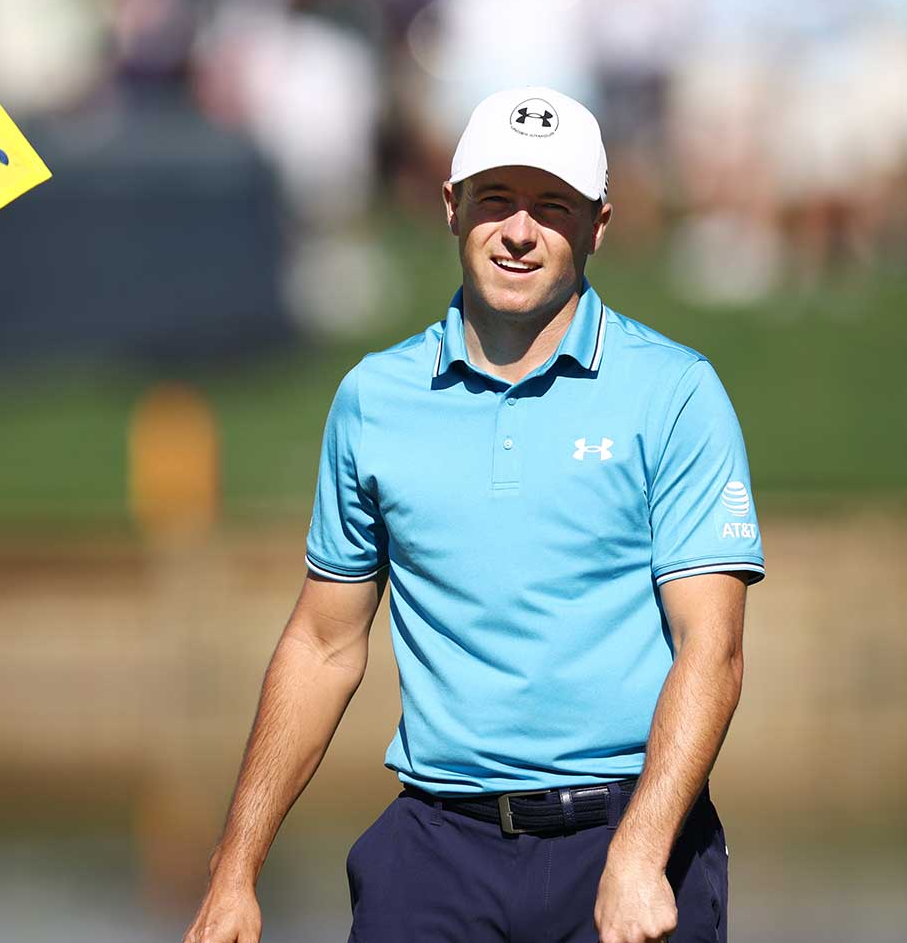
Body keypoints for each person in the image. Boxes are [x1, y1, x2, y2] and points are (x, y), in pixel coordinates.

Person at [181, 87, 764, 943]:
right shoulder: (373, 400)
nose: (519, 231)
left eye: (551, 207)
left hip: (629, 832)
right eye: (496, 199)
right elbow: (324, 644)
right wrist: (235, 870)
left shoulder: (674, 392)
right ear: (452, 208)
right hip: (436, 848)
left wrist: (640, 854)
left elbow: (711, 651)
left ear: (598, 226)